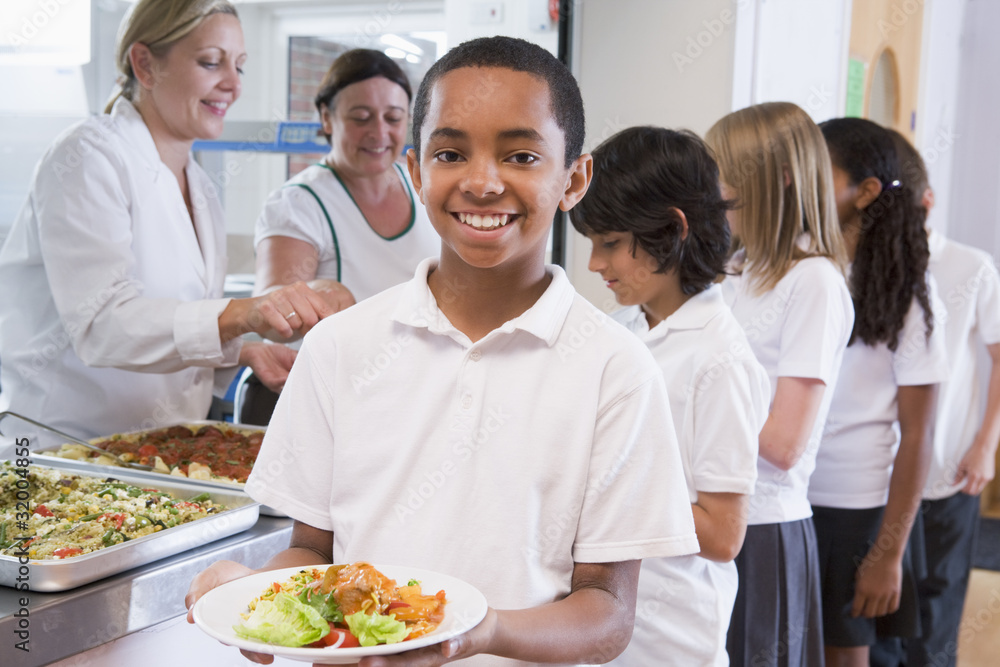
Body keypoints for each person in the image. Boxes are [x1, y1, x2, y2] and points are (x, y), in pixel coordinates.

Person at [185, 35, 700, 666]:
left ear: (574, 179)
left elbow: (609, 615)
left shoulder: (616, 371)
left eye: (521, 155)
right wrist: (258, 599)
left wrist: (482, 634)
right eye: (452, 152)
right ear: (416, 169)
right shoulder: (340, 348)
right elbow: (311, 553)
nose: (483, 183)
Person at [0, 0, 341, 440]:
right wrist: (243, 313)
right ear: (145, 64)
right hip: (59, 449)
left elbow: (171, 328)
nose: (232, 85)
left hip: (162, 451)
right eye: (211, 62)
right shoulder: (88, 156)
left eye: (239, 66)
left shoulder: (199, 188)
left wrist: (241, 351)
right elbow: (102, 324)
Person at [570, 126, 770, 666]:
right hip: (600, 618)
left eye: (610, 243)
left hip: (670, 635)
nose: (595, 264)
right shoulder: (622, 327)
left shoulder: (719, 362)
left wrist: (600, 489)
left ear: (673, 230)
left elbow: (724, 534)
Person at [705, 101, 855, 667]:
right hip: (713, 514)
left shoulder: (813, 282)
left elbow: (784, 446)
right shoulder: (738, 272)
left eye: (726, 176)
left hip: (765, 526)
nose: (717, 192)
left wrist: (689, 413)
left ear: (778, 179)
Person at [808, 117, 949, 667]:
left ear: (865, 192)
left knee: (846, 653)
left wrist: (889, 552)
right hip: (784, 498)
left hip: (856, 509)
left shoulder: (907, 290)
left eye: (821, 172)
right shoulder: (797, 264)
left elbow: (919, 433)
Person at [240, 48, 440, 423]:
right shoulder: (298, 204)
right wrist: (315, 295)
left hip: (408, 398)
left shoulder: (423, 187)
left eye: (393, 118)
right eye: (361, 118)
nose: (379, 133)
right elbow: (268, 315)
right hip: (320, 404)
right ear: (327, 118)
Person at [885, 129, 1000, 667]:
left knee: (937, 617)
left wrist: (986, 444)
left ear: (926, 202)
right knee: (887, 621)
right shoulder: (876, 268)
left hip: (952, 467)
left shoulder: (972, 268)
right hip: (883, 475)